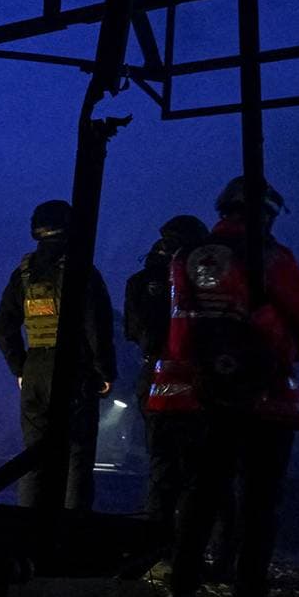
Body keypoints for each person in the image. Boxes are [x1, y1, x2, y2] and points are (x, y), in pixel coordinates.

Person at [166, 177, 299, 597]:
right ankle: (249, 596)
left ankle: (183, 589)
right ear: (267, 213)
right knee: (260, 500)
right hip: (267, 398)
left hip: (203, 396)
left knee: (201, 494)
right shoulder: (270, 257)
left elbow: (180, 341)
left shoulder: (187, 258)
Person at [0, 199, 115, 510]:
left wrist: (20, 368)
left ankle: (28, 531)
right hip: (74, 371)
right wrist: (105, 372)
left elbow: (3, 325)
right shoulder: (81, 269)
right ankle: (70, 537)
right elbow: (96, 325)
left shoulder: (24, 273)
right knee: (77, 457)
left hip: (34, 369)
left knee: (35, 459)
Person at [129, 215, 211, 527]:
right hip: (200, 382)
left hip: (155, 380)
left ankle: (155, 542)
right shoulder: (207, 277)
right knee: (200, 469)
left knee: (162, 465)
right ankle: (200, 545)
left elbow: (138, 333)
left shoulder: (139, 283)